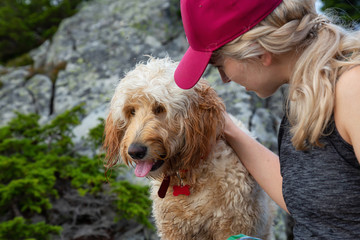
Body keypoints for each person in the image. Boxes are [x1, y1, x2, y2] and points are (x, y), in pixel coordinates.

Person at [174, 0, 360, 239]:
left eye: (220, 65)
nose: (224, 79)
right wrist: (228, 129)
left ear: (259, 51)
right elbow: (316, 207)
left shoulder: (352, 88)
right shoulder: (309, 91)